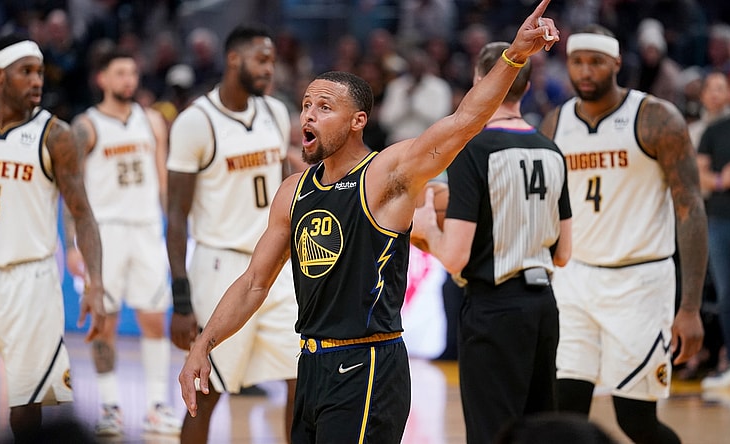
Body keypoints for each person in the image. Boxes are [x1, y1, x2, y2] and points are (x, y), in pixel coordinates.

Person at [179, 2, 560, 443]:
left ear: (358, 121)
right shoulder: (293, 191)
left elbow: (463, 122)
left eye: (324, 107)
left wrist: (514, 55)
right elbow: (253, 284)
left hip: (369, 366)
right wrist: (203, 345)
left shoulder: (388, 175)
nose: (308, 115)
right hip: (313, 365)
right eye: (305, 106)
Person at [538, 25, 708, 444]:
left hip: (640, 283)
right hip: (575, 280)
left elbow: (690, 210)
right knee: (565, 410)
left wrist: (689, 307)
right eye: (577, 61)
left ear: (616, 63)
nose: (586, 71)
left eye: (596, 61)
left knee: (635, 420)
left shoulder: (655, 118)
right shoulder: (555, 123)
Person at [412, 41, 572, 442]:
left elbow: (455, 256)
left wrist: (426, 226)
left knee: (492, 434)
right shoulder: (552, 150)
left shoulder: (473, 150)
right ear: (529, 84)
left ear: (480, 82)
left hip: (493, 309)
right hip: (543, 309)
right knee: (538, 432)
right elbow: (564, 253)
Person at [0, 34, 105, 443]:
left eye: (40, 72)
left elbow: (83, 214)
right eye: (26, 71)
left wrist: (95, 284)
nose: (37, 80)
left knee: (26, 412)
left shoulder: (57, 135)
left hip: (31, 282)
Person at [166, 23, 300, 443]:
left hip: (274, 264)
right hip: (220, 266)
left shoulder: (276, 112)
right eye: (261, 60)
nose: (269, 70)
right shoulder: (196, 121)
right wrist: (181, 298)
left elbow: (282, 186)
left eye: (272, 62)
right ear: (233, 59)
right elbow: (175, 215)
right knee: (207, 392)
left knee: (303, 381)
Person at [64, 48, 180, 436]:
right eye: (120, 73)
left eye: (132, 72)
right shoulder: (86, 125)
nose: (129, 79)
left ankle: (156, 405)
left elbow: (163, 182)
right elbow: (72, 189)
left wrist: (173, 227)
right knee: (104, 322)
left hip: (147, 229)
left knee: (153, 320)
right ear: (102, 79)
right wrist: (71, 244)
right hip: (105, 233)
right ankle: (110, 405)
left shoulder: (152, 121)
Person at [696, 61, 730, 394]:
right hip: (719, 222)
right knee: (729, 295)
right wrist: (720, 179)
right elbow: (698, 174)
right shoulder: (714, 131)